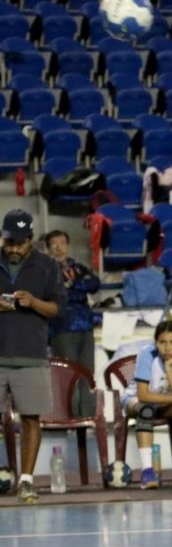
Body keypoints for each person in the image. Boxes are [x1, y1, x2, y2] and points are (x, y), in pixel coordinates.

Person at [0, 210, 66, 504]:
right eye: (9, 242)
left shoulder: (47, 265)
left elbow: (58, 309)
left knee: (30, 418)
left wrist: (33, 302)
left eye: (19, 243)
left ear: (30, 240)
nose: (13, 248)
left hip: (31, 353)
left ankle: (26, 481)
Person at [120, 319, 172, 490]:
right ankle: (147, 471)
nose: (168, 347)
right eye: (162, 342)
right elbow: (143, 395)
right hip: (134, 399)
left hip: (162, 401)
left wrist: (169, 369)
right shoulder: (146, 354)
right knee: (146, 409)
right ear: (156, 343)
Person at [45, 229, 100, 416]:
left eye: (62, 243)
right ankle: (70, 416)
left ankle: (89, 416)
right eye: (54, 244)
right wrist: (74, 288)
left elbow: (95, 284)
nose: (59, 247)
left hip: (85, 325)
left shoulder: (78, 268)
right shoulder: (45, 270)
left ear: (68, 246)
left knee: (87, 373)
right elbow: (56, 293)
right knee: (67, 375)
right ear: (48, 248)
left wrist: (75, 284)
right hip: (62, 327)